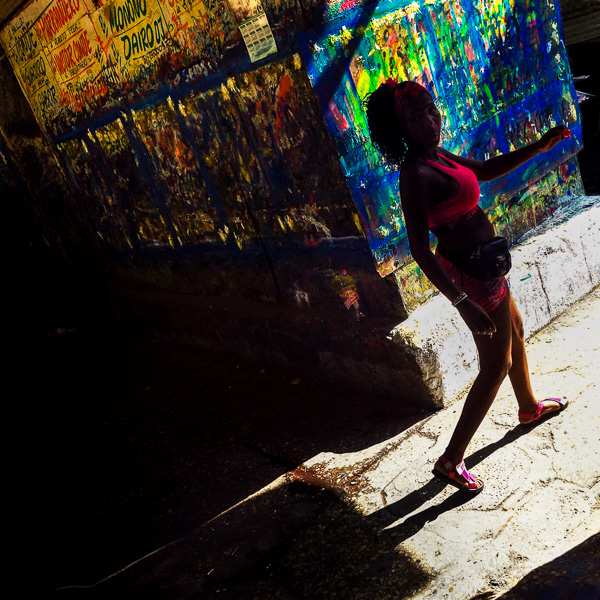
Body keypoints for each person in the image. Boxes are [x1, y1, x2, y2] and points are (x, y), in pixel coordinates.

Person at [366, 79, 570, 493]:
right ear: (399, 127)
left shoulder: (437, 155)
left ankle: (529, 407)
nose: (429, 120)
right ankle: (450, 459)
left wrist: (540, 146)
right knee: (496, 365)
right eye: (415, 116)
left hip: (487, 264)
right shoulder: (416, 174)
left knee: (514, 330)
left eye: (430, 108)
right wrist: (462, 303)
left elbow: (484, 170)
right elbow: (421, 250)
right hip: (472, 275)